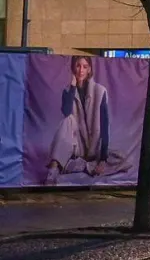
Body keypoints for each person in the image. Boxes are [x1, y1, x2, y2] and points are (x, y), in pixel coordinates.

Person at [45, 55, 112, 185]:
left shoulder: (100, 91)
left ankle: (71, 165)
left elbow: (104, 125)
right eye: (78, 66)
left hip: (93, 144)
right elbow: (66, 112)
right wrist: (73, 86)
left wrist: (103, 158)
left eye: (85, 67)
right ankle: (54, 169)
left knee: (117, 161)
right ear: (73, 68)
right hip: (77, 145)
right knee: (67, 120)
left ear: (89, 70)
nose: (81, 70)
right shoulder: (68, 90)